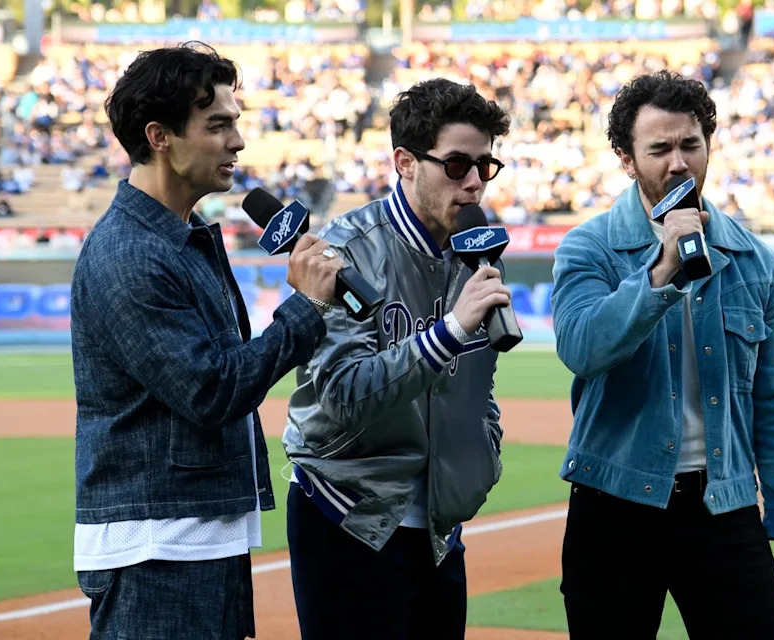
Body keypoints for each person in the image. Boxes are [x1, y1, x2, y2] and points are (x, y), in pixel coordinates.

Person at [70, 42, 342, 640]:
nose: (237, 141)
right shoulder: (129, 253)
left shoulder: (182, 236)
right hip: (156, 548)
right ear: (159, 135)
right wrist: (304, 311)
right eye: (218, 125)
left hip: (193, 534)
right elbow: (213, 389)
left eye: (236, 124)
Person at [550, 70, 774, 639]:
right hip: (614, 504)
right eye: (659, 149)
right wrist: (662, 270)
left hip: (723, 507)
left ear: (708, 147)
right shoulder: (589, 248)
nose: (678, 163)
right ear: (626, 158)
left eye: (689, 145)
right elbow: (581, 348)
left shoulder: (756, 261)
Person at [283, 77, 512, 640]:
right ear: (406, 162)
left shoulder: (476, 250)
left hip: (437, 527)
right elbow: (341, 395)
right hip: (348, 517)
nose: (476, 182)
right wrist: (450, 330)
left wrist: (486, 451)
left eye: (487, 165)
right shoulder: (347, 250)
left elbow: (478, 385)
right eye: (457, 164)